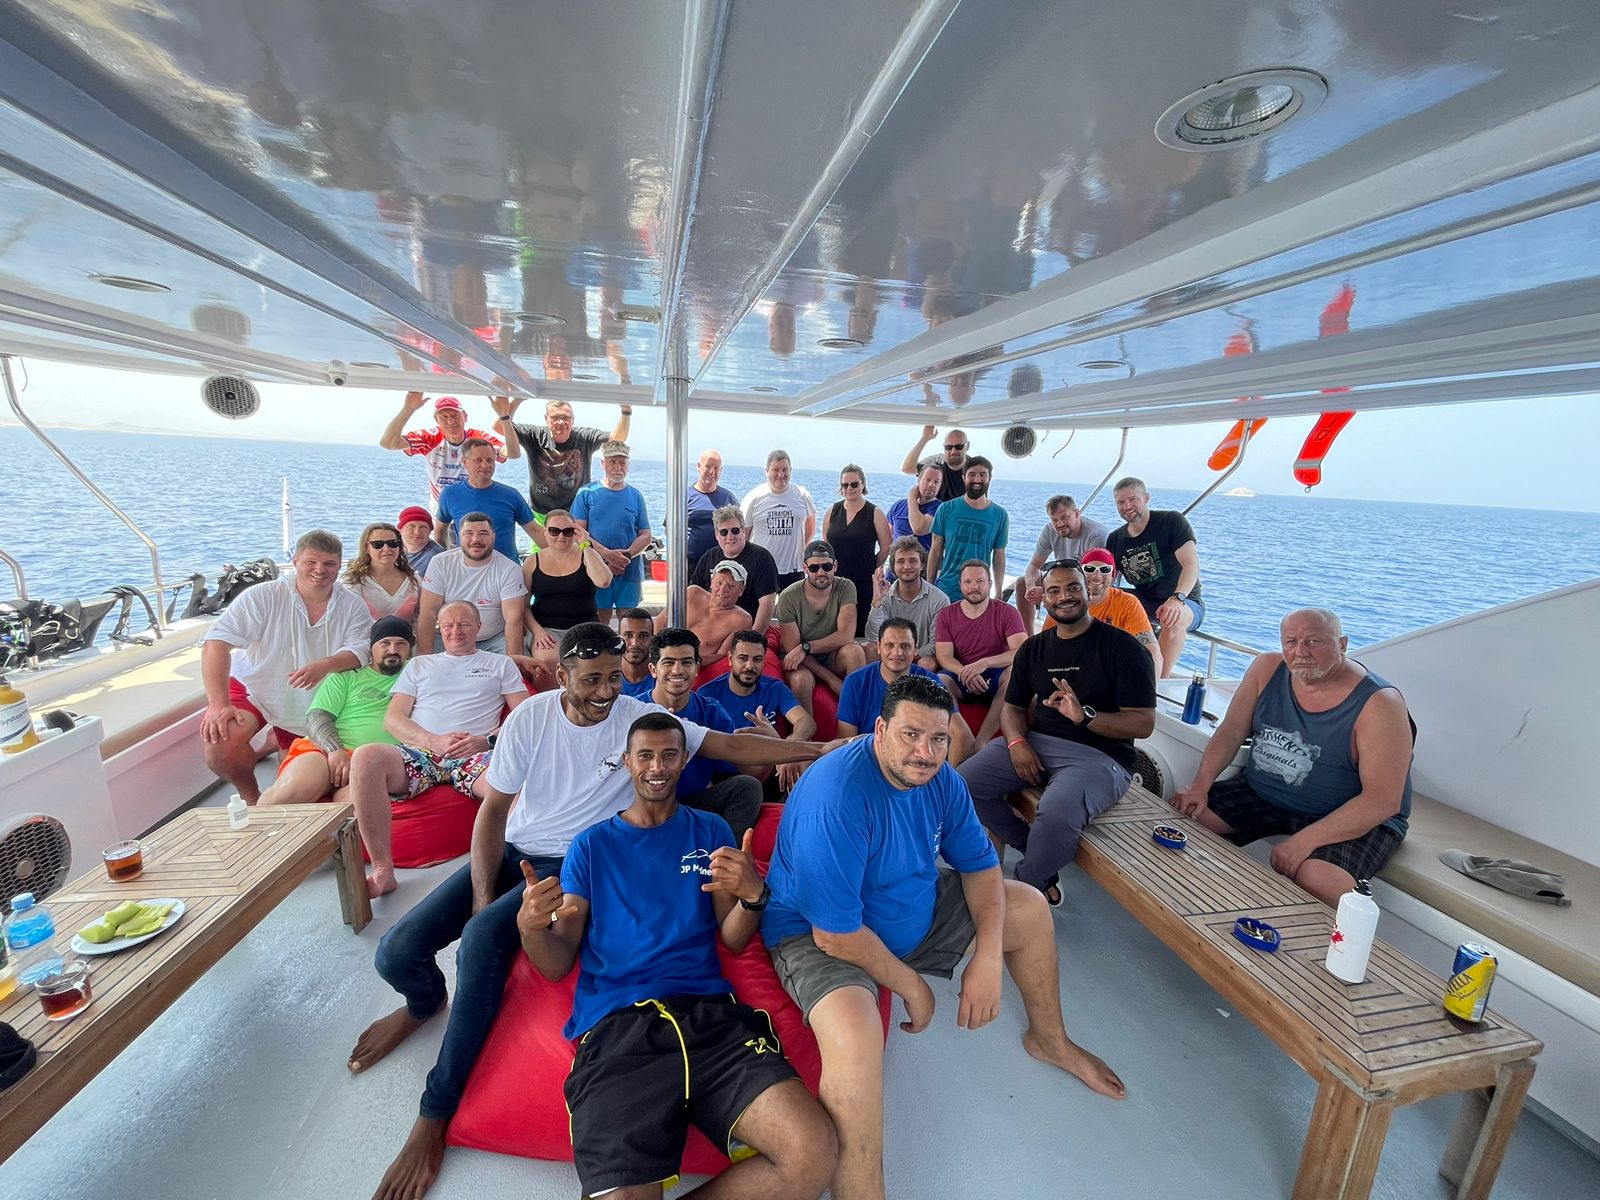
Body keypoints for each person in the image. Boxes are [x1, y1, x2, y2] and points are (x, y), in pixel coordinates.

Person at [356, 624, 839, 1200]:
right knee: (397, 951)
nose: (607, 690)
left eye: (614, 675)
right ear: (562, 676)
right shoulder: (532, 718)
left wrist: (813, 749)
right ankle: (424, 1001)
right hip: (518, 848)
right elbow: (493, 814)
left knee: (484, 939)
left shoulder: (635, 719)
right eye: (591, 679)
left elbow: (729, 746)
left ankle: (434, 1113)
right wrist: (484, 896)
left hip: (572, 860)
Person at [763, 674, 1125, 1200]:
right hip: (818, 933)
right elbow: (836, 935)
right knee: (855, 1038)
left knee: (1026, 907)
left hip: (911, 903)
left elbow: (980, 868)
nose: (926, 753)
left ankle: (1050, 1040)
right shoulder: (836, 794)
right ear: (881, 729)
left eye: (938, 738)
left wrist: (987, 957)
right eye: (911, 735)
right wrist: (912, 986)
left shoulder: (941, 780)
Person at [523, 711, 836, 1200]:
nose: (657, 766)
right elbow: (556, 960)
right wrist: (531, 928)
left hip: (711, 1019)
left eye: (669, 755)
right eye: (644, 755)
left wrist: (755, 895)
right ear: (626, 763)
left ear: (684, 759)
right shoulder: (590, 846)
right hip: (619, 1031)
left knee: (813, 1153)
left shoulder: (709, 830)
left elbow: (732, 937)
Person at [1173, 608, 1415, 907]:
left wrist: (1305, 840)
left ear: (1342, 644)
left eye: (1314, 641)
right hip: (1265, 793)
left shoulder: (1380, 703)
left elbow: (1383, 800)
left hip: (1348, 814)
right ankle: (1189, 905)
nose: (1301, 651)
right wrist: (1200, 784)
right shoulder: (1266, 668)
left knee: (1320, 879)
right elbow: (1232, 731)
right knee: (1185, 817)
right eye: (1291, 641)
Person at [960, 562, 1155, 906]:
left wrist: (1086, 717)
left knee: (1057, 812)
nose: (1064, 597)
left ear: (1087, 591)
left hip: (1101, 756)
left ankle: (1022, 890)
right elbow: (1013, 707)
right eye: (1054, 591)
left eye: (1072, 588)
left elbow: (1143, 723)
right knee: (963, 783)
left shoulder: (1123, 648)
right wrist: (1018, 742)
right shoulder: (1033, 649)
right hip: (1038, 741)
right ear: (1043, 599)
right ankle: (1038, 856)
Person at [348, 602, 529, 897]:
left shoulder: (500, 664)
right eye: (448, 625)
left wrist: (487, 740)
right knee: (366, 756)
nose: (455, 631)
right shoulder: (420, 665)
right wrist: (432, 741)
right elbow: (393, 719)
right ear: (439, 629)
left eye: (464, 624)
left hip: (477, 753)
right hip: (424, 752)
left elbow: (523, 714)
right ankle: (383, 870)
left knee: (517, 789)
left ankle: (512, 869)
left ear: (479, 628)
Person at [199, 530, 371, 804]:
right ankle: (250, 795)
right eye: (311, 562)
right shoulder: (263, 596)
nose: (320, 570)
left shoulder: (351, 604)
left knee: (298, 785)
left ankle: (277, 740)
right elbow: (216, 643)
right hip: (256, 685)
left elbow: (362, 651)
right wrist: (218, 704)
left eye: (329, 564)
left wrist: (326, 665)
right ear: (295, 561)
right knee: (221, 743)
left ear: (340, 566)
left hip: (314, 698)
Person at [259, 617, 413, 806]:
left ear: (410, 649)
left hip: (378, 760)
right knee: (288, 794)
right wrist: (335, 750)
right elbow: (317, 717)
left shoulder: (418, 674)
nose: (393, 650)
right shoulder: (346, 677)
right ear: (372, 648)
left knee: (359, 806)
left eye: (401, 644)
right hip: (328, 750)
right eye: (385, 643)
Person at [639, 628, 763, 841]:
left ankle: (725, 860)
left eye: (686, 662)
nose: (677, 670)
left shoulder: (711, 711)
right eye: (668, 662)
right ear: (653, 669)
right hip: (643, 805)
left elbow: (735, 773)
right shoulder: (633, 709)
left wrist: (770, 743)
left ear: (697, 668)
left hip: (692, 804)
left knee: (748, 787)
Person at [836, 619, 973, 765]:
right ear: (879, 647)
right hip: (871, 762)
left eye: (905, 646)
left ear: (915, 649)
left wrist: (947, 782)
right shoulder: (855, 683)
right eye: (889, 645)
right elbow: (847, 744)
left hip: (919, 764)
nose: (897, 653)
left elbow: (963, 735)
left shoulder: (931, 682)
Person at [1105, 476, 1203, 678]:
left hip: (1186, 601)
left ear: (1146, 498)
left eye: (1133, 499)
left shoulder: (1171, 522)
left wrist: (1177, 599)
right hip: (1146, 601)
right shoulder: (1116, 539)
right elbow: (1108, 579)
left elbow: (1191, 565)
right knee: (1103, 600)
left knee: (1173, 618)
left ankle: (1158, 684)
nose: (1127, 506)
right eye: (1121, 502)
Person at [697, 630, 816, 792]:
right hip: (726, 777)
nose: (750, 666)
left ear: (764, 661)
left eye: (757, 659)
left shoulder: (775, 688)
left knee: (804, 754)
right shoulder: (707, 695)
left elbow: (806, 722)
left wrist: (790, 747)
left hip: (772, 772)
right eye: (743, 658)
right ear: (730, 659)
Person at [934, 560, 1027, 744]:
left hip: (995, 672)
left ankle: (982, 740)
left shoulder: (1007, 612)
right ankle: (959, 734)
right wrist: (965, 672)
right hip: (960, 673)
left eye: (980, 581)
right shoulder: (946, 614)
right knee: (940, 681)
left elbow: (1021, 651)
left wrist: (985, 663)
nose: (974, 587)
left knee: (1013, 677)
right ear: (960, 585)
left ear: (990, 584)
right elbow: (944, 656)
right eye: (968, 582)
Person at [500, 396, 631, 525]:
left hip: (577, 513)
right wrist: (517, 400)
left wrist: (626, 411)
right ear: (546, 419)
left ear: (572, 420)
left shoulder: (584, 437)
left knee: (579, 546)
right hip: (541, 513)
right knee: (542, 547)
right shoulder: (534, 435)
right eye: (555, 418)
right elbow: (502, 427)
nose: (561, 422)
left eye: (566, 418)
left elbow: (617, 438)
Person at [775, 540, 868, 716]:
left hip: (827, 653)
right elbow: (792, 649)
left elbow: (846, 636)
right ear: (804, 568)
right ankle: (806, 736)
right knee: (801, 679)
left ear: (835, 566)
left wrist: (806, 647)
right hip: (799, 659)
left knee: (855, 651)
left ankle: (857, 721)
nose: (821, 572)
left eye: (826, 566)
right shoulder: (788, 597)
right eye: (814, 568)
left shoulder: (846, 587)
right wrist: (831, 679)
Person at [378, 393, 509, 513]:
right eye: (444, 417)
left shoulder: (477, 439)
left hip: (474, 515)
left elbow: (508, 452)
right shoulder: (431, 438)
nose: (450, 421)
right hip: (442, 517)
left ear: (465, 417)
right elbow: (388, 443)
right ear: (437, 420)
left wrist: (505, 415)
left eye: (455, 416)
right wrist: (408, 409)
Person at [520, 507, 610, 683]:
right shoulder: (532, 562)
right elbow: (523, 605)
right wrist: (537, 632)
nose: (561, 537)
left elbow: (603, 581)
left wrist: (586, 544)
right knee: (546, 662)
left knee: (588, 664)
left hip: (585, 627)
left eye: (568, 531)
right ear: (545, 532)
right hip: (547, 629)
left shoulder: (587, 555)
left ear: (575, 532)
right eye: (554, 531)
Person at [415, 515, 526, 655]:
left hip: (494, 640)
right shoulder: (440, 563)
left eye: (483, 533)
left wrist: (513, 662)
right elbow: (428, 612)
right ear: (459, 536)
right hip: (448, 638)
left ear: (493, 537)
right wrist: (423, 659)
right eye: (469, 534)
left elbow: (513, 620)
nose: (476, 540)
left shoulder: (509, 569)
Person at [571, 439, 651, 623]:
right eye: (612, 462)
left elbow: (646, 534)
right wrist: (607, 555)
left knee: (628, 618)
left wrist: (625, 557)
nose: (618, 467)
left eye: (622, 462)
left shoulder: (636, 496)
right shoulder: (586, 493)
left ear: (628, 465)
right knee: (600, 616)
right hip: (596, 566)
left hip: (628, 569)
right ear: (603, 464)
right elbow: (578, 532)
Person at [435, 438, 541, 564]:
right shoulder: (450, 495)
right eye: (478, 460)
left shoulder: (511, 495)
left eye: (490, 460)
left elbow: (535, 531)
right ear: (465, 462)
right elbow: (440, 533)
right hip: (468, 573)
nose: (485, 465)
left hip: (506, 573)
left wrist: (564, 555)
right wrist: (445, 564)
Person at [1016, 496, 1108, 633]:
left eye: (1064, 517)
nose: (1059, 524)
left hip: (1088, 583)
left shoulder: (1096, 534)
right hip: (1061, 578)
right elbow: (1034, 565)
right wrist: (1031, 587)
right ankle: (1028, 639)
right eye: (1054, 520)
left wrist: (1050, 591)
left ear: (1077, 514)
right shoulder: (1049, 531)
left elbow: (1095, 577)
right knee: (1022, 582)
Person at [824, 465, 893, 639]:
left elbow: (886, 548)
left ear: (862, 484)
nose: (849, 488)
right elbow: (825, 547)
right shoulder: (832, 511)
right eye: (845, 485)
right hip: (834, 583)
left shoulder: (875, 513)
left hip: (862, 584)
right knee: (833, 629)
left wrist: (869, 566)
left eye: (854, 484)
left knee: (860, 631)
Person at [926, 456, 1007, 602]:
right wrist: (929, 586)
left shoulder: (1000, 515)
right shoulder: (945, 509)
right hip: (947, 588)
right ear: (964, 477)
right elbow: (936, 550)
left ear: (990, 478)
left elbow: (999, 556)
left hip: (979, 590)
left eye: (982, 475)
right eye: (972, 474)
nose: (977, 479)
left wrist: (999, 591)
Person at [689, 505, 780, 633]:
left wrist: (753, 639)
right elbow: (694, 597)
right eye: (724, 532)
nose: (730, 536)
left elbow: (767, 604)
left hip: (746, 630)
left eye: (735, 531)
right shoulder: (708, 557)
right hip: (712, 630)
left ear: (743, 531)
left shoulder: (762, 558)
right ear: (716, 535)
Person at [865, 536, 950, 673]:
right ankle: (874, 692)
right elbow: (873, 636)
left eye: (913, 561)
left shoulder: (940, 599)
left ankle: (916, 694)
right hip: (892, 653)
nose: (907, 566)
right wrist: (877, 602)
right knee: (868, 648)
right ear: (893, 567)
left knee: (927, 663)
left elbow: (936, 644)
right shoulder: (886, 596)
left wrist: (906, 654)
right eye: (901, 561)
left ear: (922, 565)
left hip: (921, 655)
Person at [1076, 547, 1162, 677]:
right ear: (1080, 573)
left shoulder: (1127, 603)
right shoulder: (1068, 602)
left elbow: (1151, 649)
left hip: (1112, 673)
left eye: (1105, 570)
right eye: (1089, 569)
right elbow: (1045, 647)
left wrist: (1149, 691)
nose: (1096, 576)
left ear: (1113, 575)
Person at [742, 450, 817, 590]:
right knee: (761, 612)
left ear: (790, 470)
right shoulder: (754, 498)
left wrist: (800, 548)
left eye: (785, 470)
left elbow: (811, 526)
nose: (780, 475)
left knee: (792, 612)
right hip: (762, 569)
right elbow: (744, 535)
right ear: (766, 471)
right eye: (775, 470)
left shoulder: (802, 495)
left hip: (794, 570)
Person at [664, 559, 753, 670]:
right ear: (711, 581)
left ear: (741, 590)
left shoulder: (741, 619)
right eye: (719, 583)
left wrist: (687, 662)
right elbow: (661, 620)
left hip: (695, 668)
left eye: (731, 586)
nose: (723, 590)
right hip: (663, 656)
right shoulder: (692, 593)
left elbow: (721, 656)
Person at [343, 522, 420, 622]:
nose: (386, 549)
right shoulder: (353, 582)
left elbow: (422, 617)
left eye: (392, 543)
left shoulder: (414, 580)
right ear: (366, 548)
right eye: (378, 544)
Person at [684, 448, 737, 571]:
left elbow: (738, 530)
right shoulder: (683, 497)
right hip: (690, 563)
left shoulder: (728, 498)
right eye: (708, 467)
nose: (712, 472)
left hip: (720, 564)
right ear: (698, 466)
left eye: (716, 468)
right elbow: (670, 529)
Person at [898, 425, 972, 501]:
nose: (953, 451)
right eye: (948, 447)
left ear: (967, 446)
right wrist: (924, 439)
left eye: (959, 447)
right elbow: (907, 468)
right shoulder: (937, 462)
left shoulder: (975, 468)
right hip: (935, 511)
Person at [886, 459, 943, 552]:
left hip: (924, 564)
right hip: (897, 562)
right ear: (919, 480)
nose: (931, 484)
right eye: (927, 480)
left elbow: (919, 528)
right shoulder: (898, 506)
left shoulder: (940, 508)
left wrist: (912, 499)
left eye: (936, 482)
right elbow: (887, 537)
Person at [617, 607, 658, 696]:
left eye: (643, 636)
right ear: (619, 639)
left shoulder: (662, 678)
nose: (635, 643)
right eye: (628, 635)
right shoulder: (606, 676)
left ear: (652, 640)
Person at [397, 505, 445, 576]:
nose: (417, 532)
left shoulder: (438, 556)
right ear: (401, 529)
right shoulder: (391, 547)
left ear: (429, 530)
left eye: (423, 527)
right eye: (411, 526)